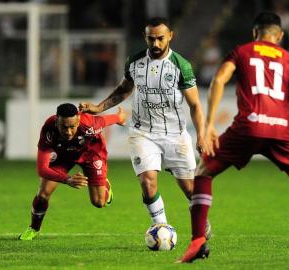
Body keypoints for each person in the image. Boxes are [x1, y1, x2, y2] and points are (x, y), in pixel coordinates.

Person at [178, 11, 289, 262]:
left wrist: (208, 125)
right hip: (282, 131)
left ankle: (197, 241)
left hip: (248, 127)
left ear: (254, 32)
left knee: (203, 171)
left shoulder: (241, 51)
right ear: (280, 36)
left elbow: (218, 80)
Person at [79, 17, 210, 235]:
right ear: (145, 37)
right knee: (148, 183)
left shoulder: (181, 66)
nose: (156, 44)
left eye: (160, 38)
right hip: (143, 133)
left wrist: (202, 135)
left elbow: (195, 104)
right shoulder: (135, 62)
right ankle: (161, 228)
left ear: (170, 36)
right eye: (151, 39)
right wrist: (98, 108)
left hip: (175, 135)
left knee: (190, 189)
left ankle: (201, 221)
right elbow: (123, 90)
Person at [18, 103, 126, 240]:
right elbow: (42, 169)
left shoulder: (89, 124)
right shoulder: (48, 129)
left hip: (91, 154)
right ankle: (34, 228)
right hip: (63, 155)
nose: (69, 132)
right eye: (64, 127)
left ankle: (104, 184)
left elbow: (108, 120)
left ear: (78, 121)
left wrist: (119, 117)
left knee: (99, 202)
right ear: (57, 120)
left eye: (72, 127)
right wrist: (67, 179)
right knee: (43, 193)